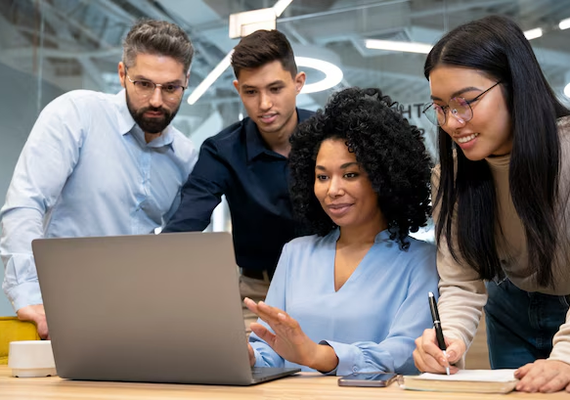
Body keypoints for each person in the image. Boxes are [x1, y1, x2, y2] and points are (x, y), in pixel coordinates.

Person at [0, 19, 197, 339]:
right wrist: (30, 297)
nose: (157, 100)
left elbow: (174, 248)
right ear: (122, 74)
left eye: (170, 87)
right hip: (60, 312)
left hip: (139, 317)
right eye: (144, 84)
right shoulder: (75, 114)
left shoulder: (185, 157)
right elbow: (25, 203)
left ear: (186, 81)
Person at [412, 15, 570, 393]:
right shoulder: (449, 174)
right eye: (440, 107)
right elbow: (461, 282)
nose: (452, 122)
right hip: (510, 309)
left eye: (465, 103)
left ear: (516, 87)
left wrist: (565, 355)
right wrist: (446, 338)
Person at [244, 87, 438, 375]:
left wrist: (318, 355)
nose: (333, 190)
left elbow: (405, 355)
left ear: (383, 177)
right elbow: (269, 348)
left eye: (350, 174)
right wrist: (246, 354)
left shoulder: (421, 260)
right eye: (322, 176)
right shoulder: (296, 253)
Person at [163, 30, 313, 331]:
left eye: (275, 89)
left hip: (331, 286)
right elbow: (187, 221)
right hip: (258, 295)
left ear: (298, 84)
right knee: (242, 367)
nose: (264, 104)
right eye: (251, 92)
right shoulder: (222, 151)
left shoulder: (333, 136)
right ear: (237, 88)